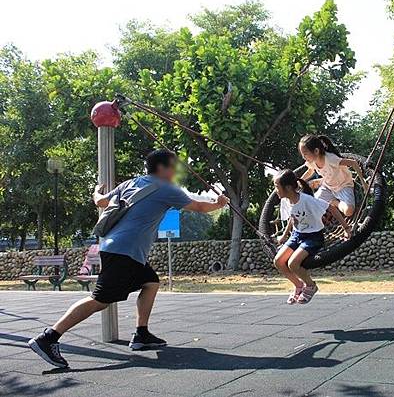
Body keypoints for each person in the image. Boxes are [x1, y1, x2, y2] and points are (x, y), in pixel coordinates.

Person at [28, 149, 229, 368]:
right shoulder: (166, 188)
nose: (175, 171)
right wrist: (218, 203)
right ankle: (48, 338)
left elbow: (101, 202)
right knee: (100, 300)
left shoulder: (130, 184)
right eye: (173, 167)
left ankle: (141, 334)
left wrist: (96, 191)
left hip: (117, 248)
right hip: (125, 251)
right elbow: (199, 206)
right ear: (162, 169)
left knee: (151, 282)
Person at [273, 169, 351, 305]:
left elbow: (331, 208)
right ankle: (298, 285)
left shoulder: (307, 200)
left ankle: (311, 285)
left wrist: (346, 228)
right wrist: (284, 236)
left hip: (312, 237)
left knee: (293, 264)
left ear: (288, 187)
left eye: (276, 187)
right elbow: (293, 218)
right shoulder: (286, 201)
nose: (275, 190)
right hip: (297, 235)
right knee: (278, 261)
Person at [299, 134, 366, 217]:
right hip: (328, 187)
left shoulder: (330, 159)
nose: (303, 157)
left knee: (349, 211)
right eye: (302, 155)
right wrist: (300, 180)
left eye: (305, 154)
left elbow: (353, 163)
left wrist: (364, 183)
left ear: (316, 151)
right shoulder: (311, 162)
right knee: (313, 206)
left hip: (343, 186)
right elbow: (310, 171)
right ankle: (321, 185)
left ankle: (335, 203)